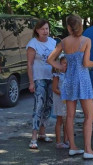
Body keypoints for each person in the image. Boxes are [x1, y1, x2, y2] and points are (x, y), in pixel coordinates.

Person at [48, 14, 93, 159]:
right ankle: (88, 150)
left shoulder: (64, 42)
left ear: (68, 27)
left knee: (70, 116)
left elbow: (50, 59)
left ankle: (72, 147)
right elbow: (86, 64)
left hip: (69, 80)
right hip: (83, 80)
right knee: (89, 116)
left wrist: (61, 68)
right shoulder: (86, 40)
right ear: (80, 26)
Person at [26, 19, 56, 149]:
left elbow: (56, 60)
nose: (45, 31)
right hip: (39, 78)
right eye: (43, 29)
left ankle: (43, 133)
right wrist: (31, 82)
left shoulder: (53, 42)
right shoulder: (33, 44)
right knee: (38, 106)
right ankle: (34, 137)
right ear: (37, 30)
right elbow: (29, 64)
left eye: (47, 29)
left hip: (52, 77)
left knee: (49, 105)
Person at [52, 56, 69, 149]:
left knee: (67, 120)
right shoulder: (57, 75)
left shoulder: (68, 75)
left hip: (67, 100)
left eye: (67, 63)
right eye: (64, 63)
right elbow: (54, 89)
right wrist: (63, 94)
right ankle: (58, 142)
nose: (66, 65)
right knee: (60, 120)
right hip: (60, 100)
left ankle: (66, 140)